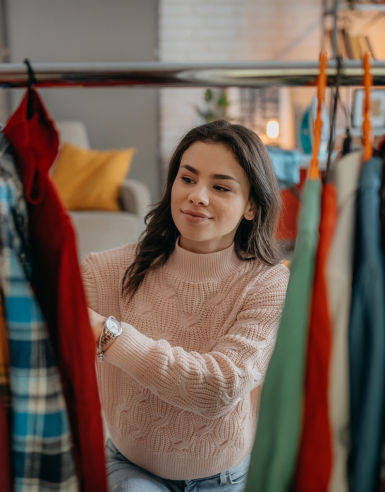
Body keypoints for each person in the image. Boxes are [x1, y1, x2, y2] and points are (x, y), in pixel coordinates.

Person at [82, 120, 290, 492]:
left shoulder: (267, 282)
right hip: (132, 469)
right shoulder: (107, 271)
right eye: (188, 179)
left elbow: (219, 387)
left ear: (251, 207)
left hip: (226, 478)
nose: (197, 196)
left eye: (221, 187)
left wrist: (108, 334)